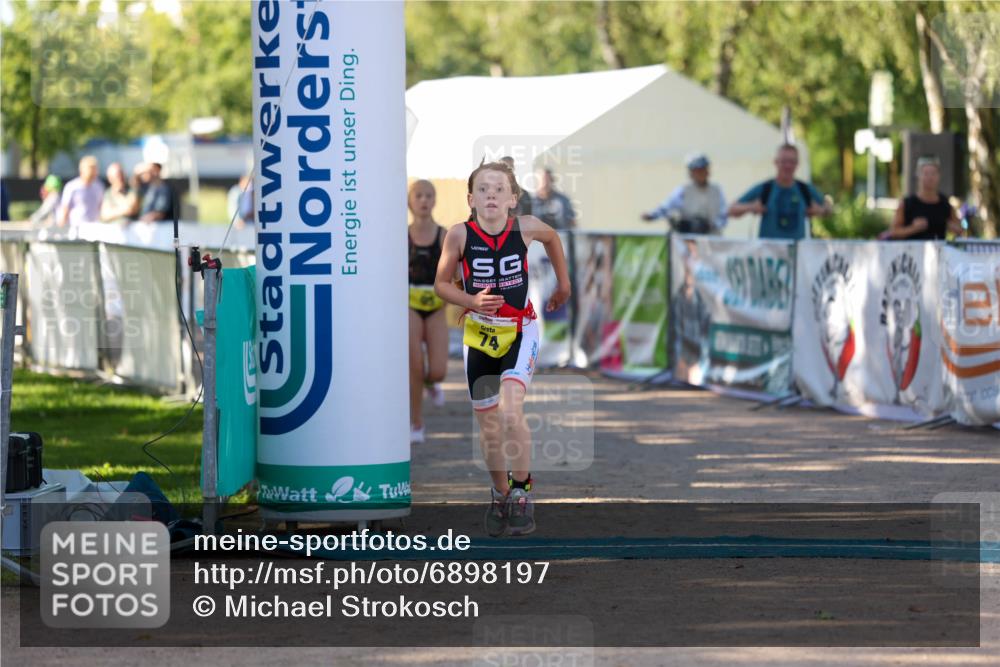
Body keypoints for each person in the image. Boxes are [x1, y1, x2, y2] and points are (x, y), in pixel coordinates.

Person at [434, 160, 571, 537]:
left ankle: (523, 490)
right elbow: (441, 285)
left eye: (499, 189)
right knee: (490, 427)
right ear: (470, 198)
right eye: (483, 189)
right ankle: (500, 491)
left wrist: (564, 286)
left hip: (520, 329)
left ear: (513, 199)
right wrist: (470, 301)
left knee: (511, 413)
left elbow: (553, 238)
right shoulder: (459, 235)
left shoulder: (525, 228)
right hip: (479, 336)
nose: (490, 194)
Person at [407, 180, 449, 444]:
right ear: (410, 201)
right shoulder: (402, 235)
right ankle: (416, 423)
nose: (424, 200)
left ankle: (433, 383)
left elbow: (455, 271)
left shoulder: (443, 235)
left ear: (434, 201)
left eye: (428, 196)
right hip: (409, 306)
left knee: (437, 371)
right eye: (418, 195)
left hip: (435, 307)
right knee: (415, 368)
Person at [729, 144, 831, 239]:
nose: (787, 166)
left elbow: (829, 208)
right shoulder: (765, 188)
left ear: (797, 164)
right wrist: (751, 207)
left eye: (792, 161)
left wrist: (821, 210)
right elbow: (731, 210)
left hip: (797, 253)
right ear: (776, 162)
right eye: (784, 161)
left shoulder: (804, 189)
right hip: (769, 253)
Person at [641, 153, 727, 234]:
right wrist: (651, 216)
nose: (700, 173)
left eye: (702, 169)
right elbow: (666, 207)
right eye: (696, 170)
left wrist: (710, 226)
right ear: (691, 173)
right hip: (688, 240)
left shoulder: (716, 191)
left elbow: (723, 217)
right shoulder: (683, 191)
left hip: (712, 239)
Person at [880, 157, 962, 240]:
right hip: (911, 250)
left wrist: (950, 226)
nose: (930, 178)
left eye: (933, 173)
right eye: (926, 173)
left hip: (938, 250)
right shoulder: (907, 203)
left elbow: (959, 229)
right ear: (918, 175)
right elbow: (893, 232)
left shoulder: (945, 203)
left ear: (939, 176)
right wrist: (913, 228)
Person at [58, 155, 104, 228]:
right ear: (82, 169)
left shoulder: (98, 187)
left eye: (95, 169)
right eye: (90, 168)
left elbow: (100, 207)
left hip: (94, 228)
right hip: (77, 228)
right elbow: (65, 209)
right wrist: (61, 227)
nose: (93, 172)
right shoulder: (72, 187)